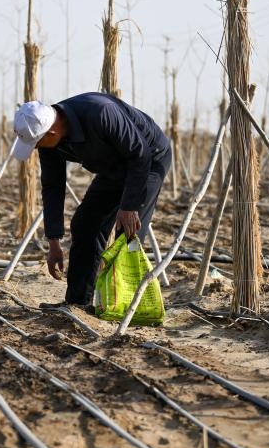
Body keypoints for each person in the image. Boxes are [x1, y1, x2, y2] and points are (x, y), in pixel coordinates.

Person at [12, 92, 171, 309]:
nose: (36, 148)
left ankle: (124, 307)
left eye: (37, 143)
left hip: (149, 159)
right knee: (86, 223)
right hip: (113, 167)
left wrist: (129, 206)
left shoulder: (101, 113)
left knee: (127, 233)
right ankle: (78, 302)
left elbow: (139, 154)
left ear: (51, 132)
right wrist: (53, 241)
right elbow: (52, 187)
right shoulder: (49, 142)